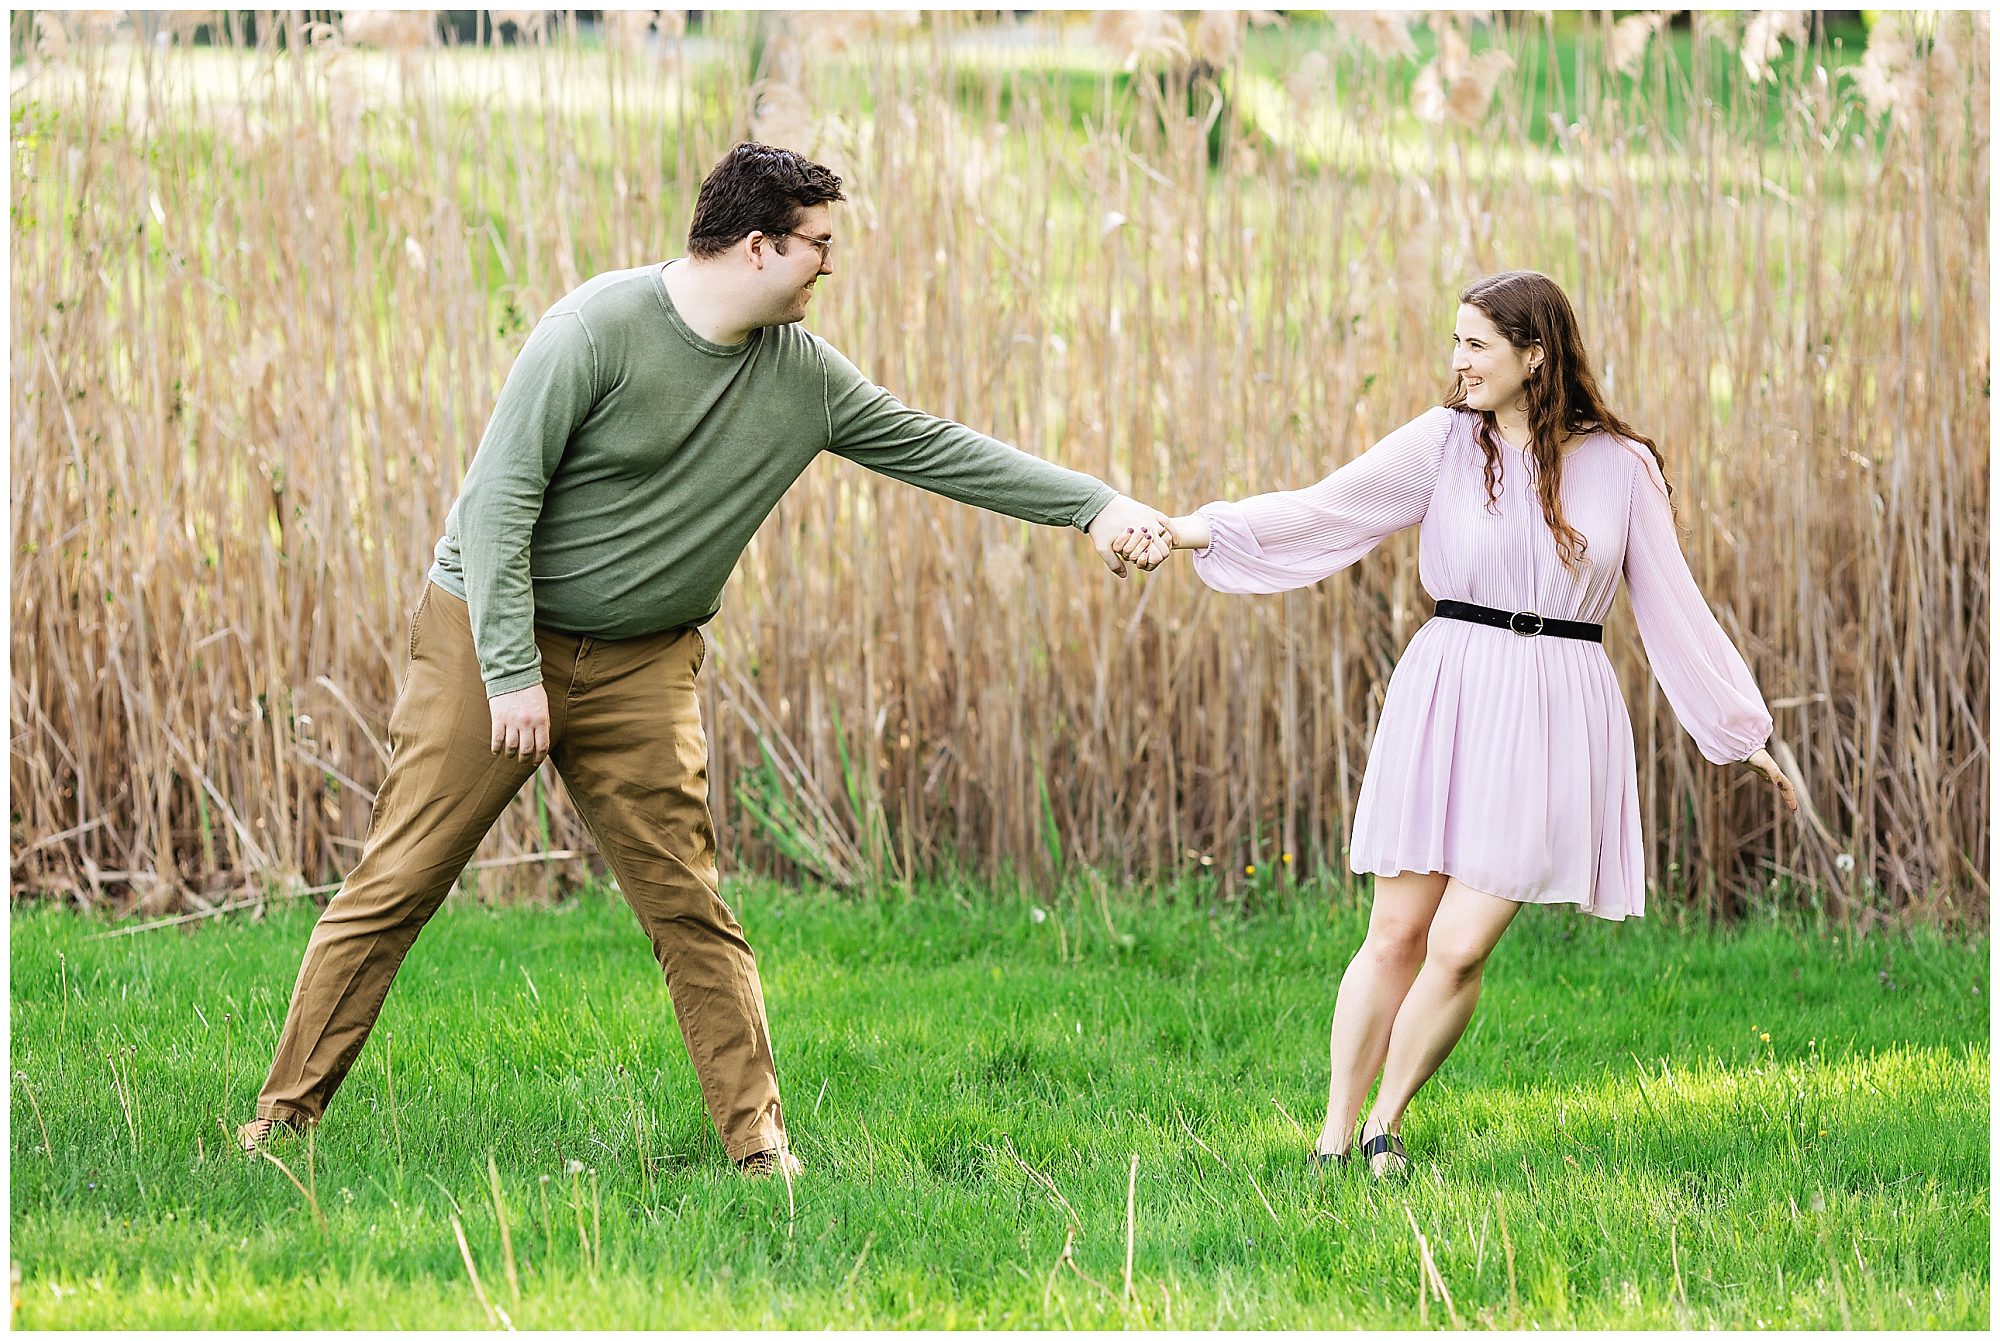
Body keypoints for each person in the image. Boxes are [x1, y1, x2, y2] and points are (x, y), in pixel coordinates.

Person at [236, 142, 1172, 1176]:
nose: (829, 265)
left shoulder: (802, 378)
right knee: (400, 880)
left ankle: (757, 1147)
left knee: (690, 905)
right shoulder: (594, 330)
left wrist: (1095, 507)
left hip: (644, 665)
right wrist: (510, 673)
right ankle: (280, 1127)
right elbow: (497, 506)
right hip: (492, 635)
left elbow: (934, 445)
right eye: (817, 245)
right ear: (758, 245)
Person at [1121, 270, 1799, 1180]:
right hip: (1450, 687)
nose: (1459, 362)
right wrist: (1192, 528)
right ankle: (1334, 1136)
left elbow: (1676, 607)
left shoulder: (1623, 467)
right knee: (1398, 931)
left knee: (1462, 939)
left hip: (1557, 707)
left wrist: (1740, 730)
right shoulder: (1445, 444)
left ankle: (1385, 1123)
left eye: (1477, 344)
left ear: (1536, 354)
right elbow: (1326, 509)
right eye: (1456, 343)